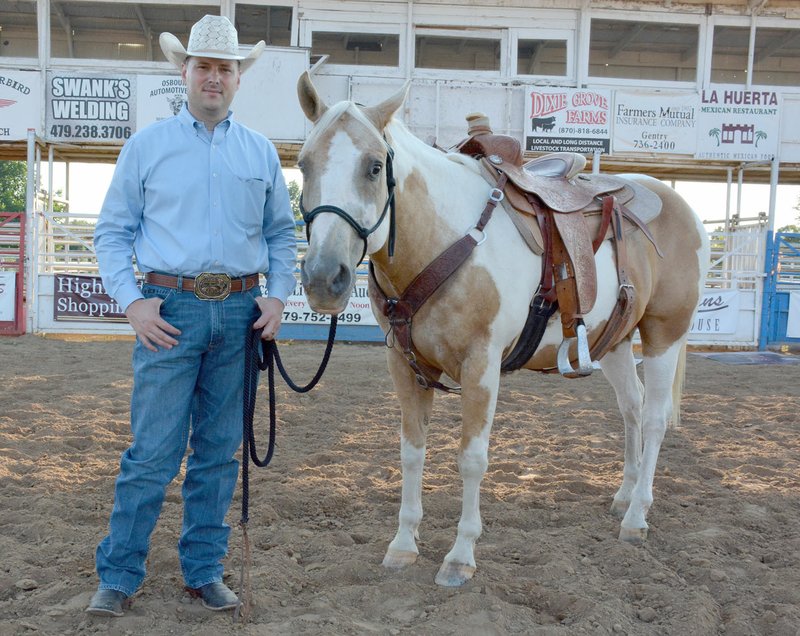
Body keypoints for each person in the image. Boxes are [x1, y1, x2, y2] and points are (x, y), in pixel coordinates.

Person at [87, 15, 297, 617]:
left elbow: (283, 236)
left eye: (224, 68)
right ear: (184, 72)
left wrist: (278, 296)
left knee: (218, 452)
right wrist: (132, 302)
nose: (213, 77)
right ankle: (120, 574)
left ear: (238, 78)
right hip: (168, 311)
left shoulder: (260, 152)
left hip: (238, 313)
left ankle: (203, 570)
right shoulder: (147, 147)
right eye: (203, 66)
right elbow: (111, 232)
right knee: (151, 453)